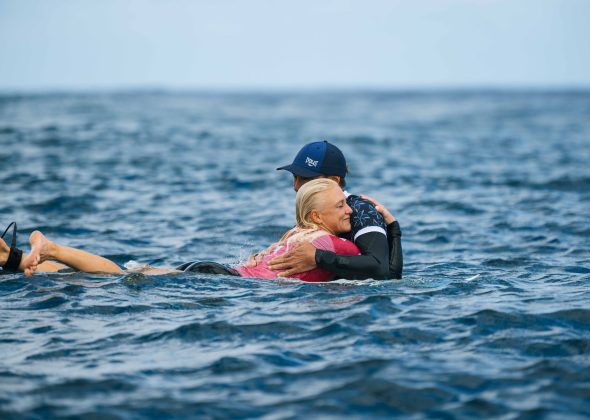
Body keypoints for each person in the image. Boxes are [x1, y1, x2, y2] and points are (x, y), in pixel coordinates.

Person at [1, 179, 362, 282]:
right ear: (316, 217)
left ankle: (16, 259)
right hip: (220, 279)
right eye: (341, 206)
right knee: (113, 277)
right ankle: (50, 249)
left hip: (218, 271)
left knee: (108, 276)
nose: (350, 209)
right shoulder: (329, 242)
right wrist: (389, 228)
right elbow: (380, 269)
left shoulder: (295, 233)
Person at [268, 140, 403, 280]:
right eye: (295, 177)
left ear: (334, 180)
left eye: (305, 178)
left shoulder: (362, 211)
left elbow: (381, 270)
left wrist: (318, 257)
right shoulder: (313, 210)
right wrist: (261, 258)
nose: (296, 186)